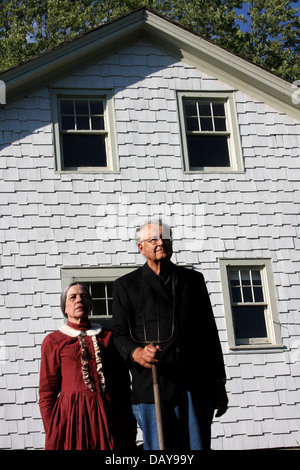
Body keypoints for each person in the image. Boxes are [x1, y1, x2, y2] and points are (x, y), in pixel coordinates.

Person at [112, 219, 228, 450]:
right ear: (140, 247)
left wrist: (219, 382)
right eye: (153, 239)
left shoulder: (192, 281)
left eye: (165, 238)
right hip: (154, 383)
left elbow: (209, 335)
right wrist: (135, 353)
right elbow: (119, 333)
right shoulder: (126, 285)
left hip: (195, 383)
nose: (161, 242)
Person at [39, 282, 136, 450]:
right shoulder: (54, 341)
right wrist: (54, 430)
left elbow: (123, 385)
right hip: (71, 419)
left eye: (84, 297)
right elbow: (47, 392)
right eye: (73, 297)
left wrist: (127, 422)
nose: (79, 300)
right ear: (65, 308)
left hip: (107, 416)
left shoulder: (108, 337)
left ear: (90, 305)